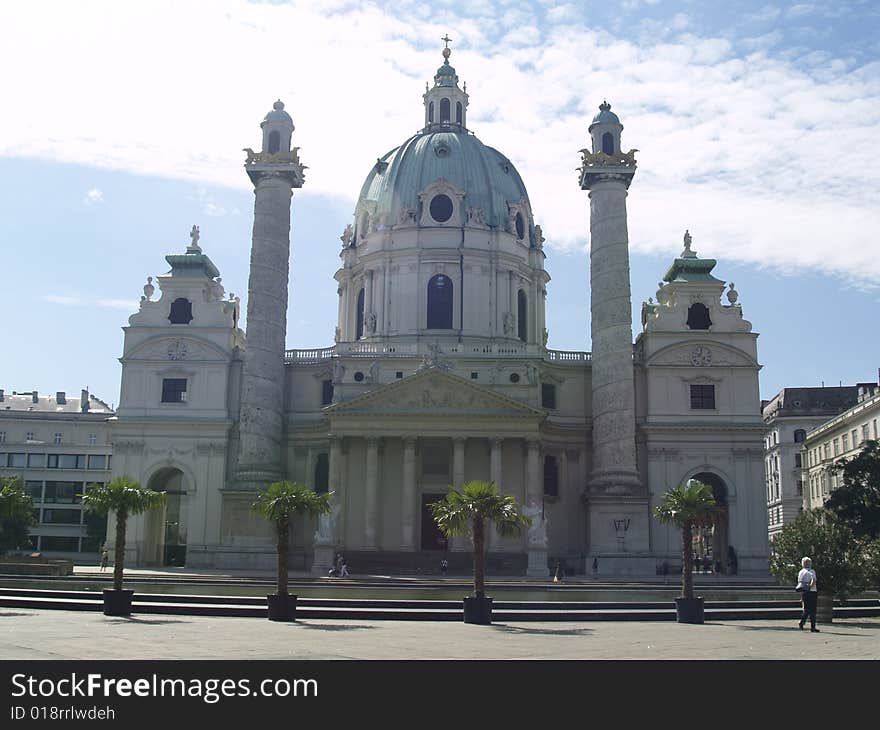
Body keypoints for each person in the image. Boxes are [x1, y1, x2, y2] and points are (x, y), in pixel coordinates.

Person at [797, 556, 819, 632]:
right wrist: (810, 586)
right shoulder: (812, 571)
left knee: (806, 609)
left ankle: (801, 623)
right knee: (813, 610)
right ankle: (813, 627)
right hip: (812, 591)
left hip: (804, 592)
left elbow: (800, 582)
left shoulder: (801, 572)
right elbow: (814, 580)